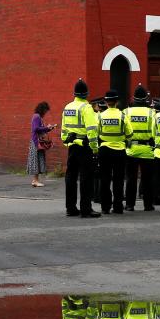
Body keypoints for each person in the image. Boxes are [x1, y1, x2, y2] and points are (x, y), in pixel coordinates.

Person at [60, 79, 100, 217]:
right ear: (86, 94)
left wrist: (68, 143)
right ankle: (86, 209)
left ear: (74, 93)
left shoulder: (68, 107)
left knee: (70, 177)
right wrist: (95, 148)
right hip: (84, 147)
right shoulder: (86, 108)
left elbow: (64, 130)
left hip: (72, 147)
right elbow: (92, 130)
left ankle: (70, 208)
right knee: (86, 178)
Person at [96, 89, 130, 214]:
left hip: (104, 150)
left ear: (106, 101)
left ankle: (105, 207)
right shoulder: (122, 116)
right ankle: (118, 206)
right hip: (119, 151)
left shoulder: (100, 116)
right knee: (118, 180)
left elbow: (97, 132)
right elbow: (129, 134)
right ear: (117, 102)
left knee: (104, 179)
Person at [124, 85, 156, 211]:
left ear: (134, 98)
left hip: (131, 149)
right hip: (147, 150)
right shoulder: (151, 112)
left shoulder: (126, 112)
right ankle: (148, 205)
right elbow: (155, 132)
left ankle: (129, 205)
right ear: (145, 98)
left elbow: (123, 130)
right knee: (147, 179)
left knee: (131, 178)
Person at [28, 102, 55, 187]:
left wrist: (49, 128)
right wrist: (47, 127)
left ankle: (35, 180)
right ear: (42, 109)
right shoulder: (36, 117)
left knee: (38, 160)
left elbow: (41, 130)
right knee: (36, 160)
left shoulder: (37, 117)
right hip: (36, 142)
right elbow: (36, 129)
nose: (45, 113)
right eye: (45, 111)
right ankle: (35, 181)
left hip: (37, 141)